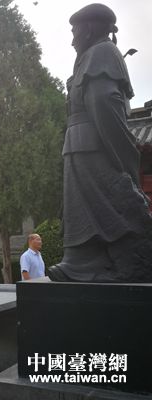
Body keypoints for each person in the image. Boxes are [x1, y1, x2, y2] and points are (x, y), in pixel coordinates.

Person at [48, 3, 152, 282]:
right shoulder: (91, 54)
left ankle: (103, 263)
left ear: (89, 29)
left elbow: (104, 102)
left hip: (94, 147)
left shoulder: (103, 52)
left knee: (103, 206)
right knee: (82, 209)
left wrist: (123, 156)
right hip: (80, 146)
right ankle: (82, 263)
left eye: (75, 32)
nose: (72, 40)